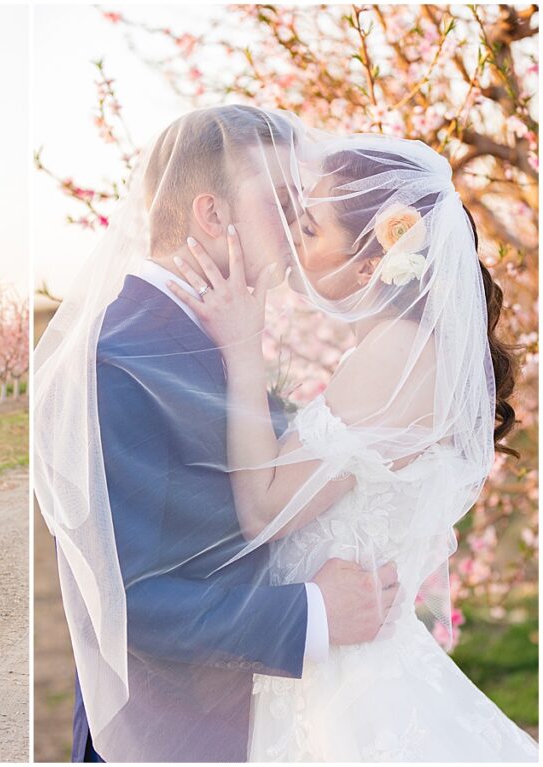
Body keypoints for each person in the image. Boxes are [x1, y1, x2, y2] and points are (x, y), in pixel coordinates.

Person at [34, 106, 403, 763]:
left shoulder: (220, 331)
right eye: (284, 203)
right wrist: (313, 613)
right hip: (166, 735)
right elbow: (131, 600)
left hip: (256, 723)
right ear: (211, 215)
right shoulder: (118, 357)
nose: (301, 227)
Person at [168, 133, 538, 761]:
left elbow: (265, 509)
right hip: (334, 661)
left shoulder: (398, 353)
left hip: (349, 692)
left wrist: (241, 345)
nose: (291, 238)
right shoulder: (398, 350)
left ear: (372, 262)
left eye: (310, 229)